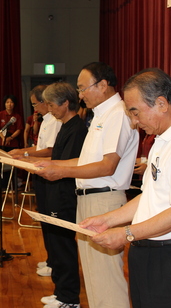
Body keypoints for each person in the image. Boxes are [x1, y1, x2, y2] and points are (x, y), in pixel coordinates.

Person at [80, 68, 171, 308]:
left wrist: (126, 233)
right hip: (150, 251)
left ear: (161, 103)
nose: (134, 122)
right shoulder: (163, 139)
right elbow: (150, 196)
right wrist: (107, 220)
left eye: (135, 113)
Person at [34, 62, 139, 308]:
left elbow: (107, 166)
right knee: (93, 275)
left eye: (83, 88)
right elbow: (86, 161)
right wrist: (55, 166)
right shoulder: (99, 116)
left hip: (103, 199)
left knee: (106, 278)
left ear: (102, 85)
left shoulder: (117, 114)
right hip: (88, 198)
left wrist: (61, 171)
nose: (79, 95)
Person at [38, 82, 87, 308]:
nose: (49, 109)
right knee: (55, 245)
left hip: (65, 195)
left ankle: (69, 298)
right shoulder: (65, 125)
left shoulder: (77, 128)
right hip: (55, 192)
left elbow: (66, 164)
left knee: (63, 246)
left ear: (66, 103)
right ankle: (60, 292)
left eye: (51, 104)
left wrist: (36, 163)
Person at [9, 85, 62, 278]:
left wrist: (24, 153)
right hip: (40, 172)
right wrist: (25, 152)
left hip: (49, 173)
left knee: (51, 221)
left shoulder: (54, 122)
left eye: (35, 104)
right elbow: (41, 147)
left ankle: (55, 262)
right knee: (44, 219)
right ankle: (50, 259)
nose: (34, 109)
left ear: (45, 102)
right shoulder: (45, 120)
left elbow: (49, 150)